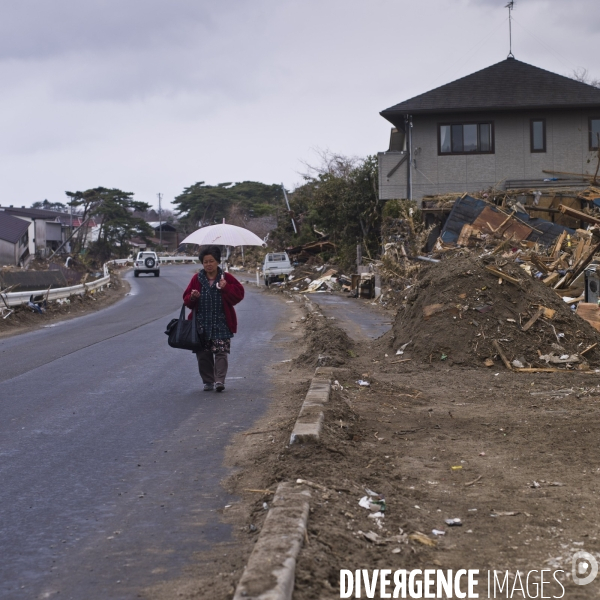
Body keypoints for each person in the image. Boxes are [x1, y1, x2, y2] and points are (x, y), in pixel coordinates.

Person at [183, 246, 245, 392]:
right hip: (201, 323)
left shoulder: (226, 278)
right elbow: (186, 300)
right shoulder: (196, 279)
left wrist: (226, 288)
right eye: (205, 262)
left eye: (211, 261)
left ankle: (219, 381)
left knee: (221, 352)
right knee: (203, 354)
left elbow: (238, 295)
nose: (208, 264)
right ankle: (208, 381)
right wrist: (192, 297)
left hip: (221, 322)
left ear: (217, 262)